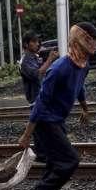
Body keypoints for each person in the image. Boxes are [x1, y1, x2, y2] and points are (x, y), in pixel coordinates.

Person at [17, 22, 96, 190]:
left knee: (55, 163)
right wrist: (26, 135)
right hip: (45, 121)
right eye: (92, 39)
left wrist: (84, 107)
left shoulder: (83, 65)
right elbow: (40, 103)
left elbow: (79, 86)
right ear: (81, 40)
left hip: (57, 120)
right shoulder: (58, 69)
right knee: (70, 161)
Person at [20, 31, 58, 163]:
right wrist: (50, 60)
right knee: (39, 126)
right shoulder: (25, 61)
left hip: (42, 96)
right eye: (34, 41)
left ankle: (44, 153)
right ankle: (42, 155)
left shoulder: (35, 57)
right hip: (35, 98)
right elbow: (37, 74)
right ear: (26, 44)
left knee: (42, 126)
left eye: (38, 41)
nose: (37, 44)